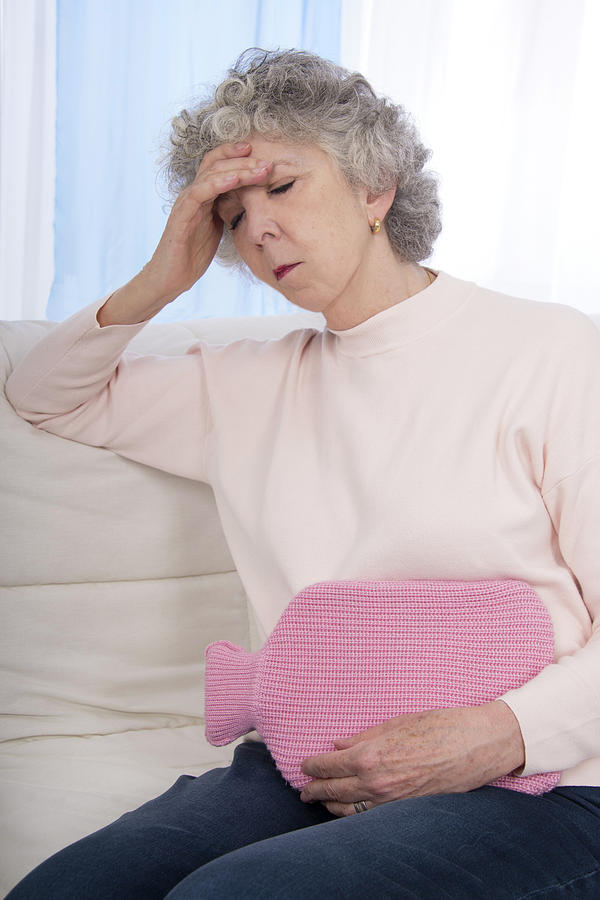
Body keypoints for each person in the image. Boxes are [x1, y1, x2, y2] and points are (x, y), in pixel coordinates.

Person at [5, 47, 600, 899]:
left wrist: (502, 730)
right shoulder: (244, 382)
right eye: (230, 214)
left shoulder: (547, 349)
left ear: (374, 186)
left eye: (281, 188)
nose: (258, 231)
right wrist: (160, 276)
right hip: (312, 768)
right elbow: (42, 394)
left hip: (542, 780)